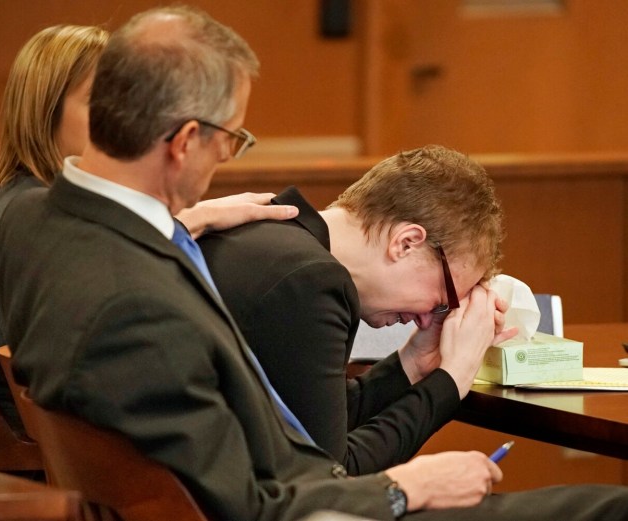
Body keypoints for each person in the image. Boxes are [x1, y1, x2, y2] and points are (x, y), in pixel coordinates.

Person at [0, 6, 628, 521]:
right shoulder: (139, 299)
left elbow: (275, 433)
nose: (227, 160)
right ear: (187, 141)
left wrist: (176, 228)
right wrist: (409, 484)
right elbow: (251, 503)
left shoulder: (35, 225)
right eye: (231, 138)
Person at [0, 24, 297, 439]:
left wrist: (191, 219)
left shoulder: (32, 203)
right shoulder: (17, 220)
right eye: (101, 103)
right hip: (5, 466)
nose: (122, 120)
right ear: (45, 112)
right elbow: (46, 383)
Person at [197, 145, 509, 473]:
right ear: (406, 243)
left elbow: (315, 424)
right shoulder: (312, 279)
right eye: (443, 299)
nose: (429, 317)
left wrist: (415, 363)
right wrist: (453, 379)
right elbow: (333, 476)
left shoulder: (268, 239)